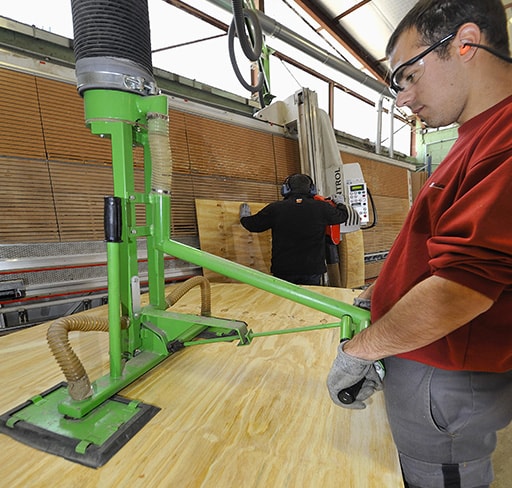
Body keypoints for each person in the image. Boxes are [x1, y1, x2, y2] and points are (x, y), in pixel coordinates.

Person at [326, 1, 512, 487]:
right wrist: (382, 290)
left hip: (445, 373)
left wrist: (360, 350)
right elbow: (438, 250)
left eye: (409, 75)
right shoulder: (472, 138)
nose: (404, 99)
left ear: (466, 43)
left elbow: (461, 287)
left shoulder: (505, 139)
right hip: (428, 360)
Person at [239, 173, 348, 285]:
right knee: (309, 301)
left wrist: (244, 217)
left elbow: (253, 225)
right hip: (312, 269)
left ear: (286, 189)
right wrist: (340, 203)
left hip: (284, 270)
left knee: (285, 301)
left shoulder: (276, 208)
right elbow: (343, 216)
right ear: (312, 189)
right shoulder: (322, 207)